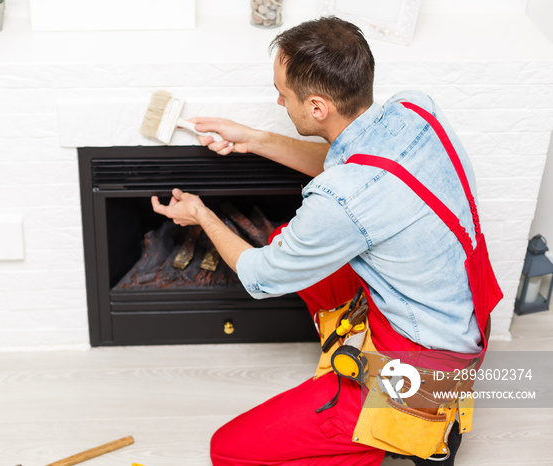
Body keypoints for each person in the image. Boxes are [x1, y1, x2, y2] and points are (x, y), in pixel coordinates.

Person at [151, 16, 501, 466]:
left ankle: (407, 432)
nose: (278, 100)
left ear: (317, 108)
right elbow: (354, 168)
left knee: (228, 451)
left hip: (421, 368)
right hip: (460, 317)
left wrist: (202, 215)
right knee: (287, 239)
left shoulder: (341, 200)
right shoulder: (415, 110)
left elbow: (260, 276)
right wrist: (254, 139)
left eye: (283, 93)